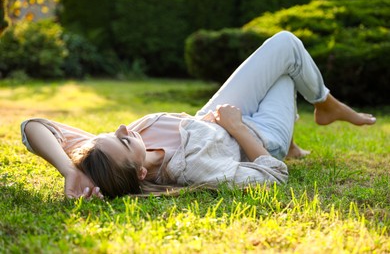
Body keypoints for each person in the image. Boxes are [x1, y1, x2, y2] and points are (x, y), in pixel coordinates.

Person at [21, 31, 376, 199]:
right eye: (124, 139)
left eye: (114, 133)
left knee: (284, 45)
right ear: (141, 171)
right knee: (286, 65)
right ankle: (321, 110)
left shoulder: (102, 156)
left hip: (213, 115)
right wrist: (237, 128)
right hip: (255, 133)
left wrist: (69, 169)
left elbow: (34, 126)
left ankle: (320, 107)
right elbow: (274, 177)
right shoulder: (194, 169)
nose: (122, 127)